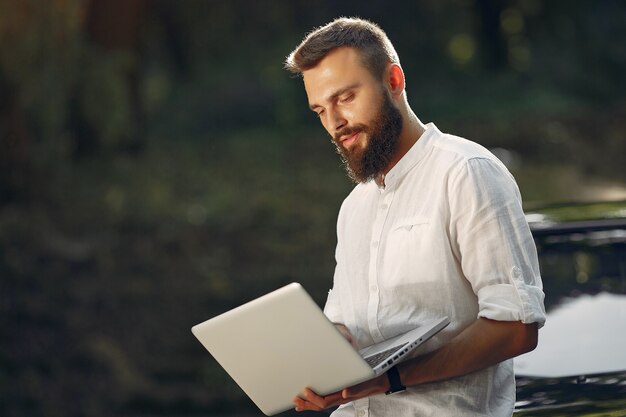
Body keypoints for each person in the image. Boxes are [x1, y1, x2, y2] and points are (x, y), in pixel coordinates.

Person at [284, 17, 546, 417]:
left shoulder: (466, 172)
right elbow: (345, 328)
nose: (334, 123)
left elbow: (516, 327)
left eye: (346, 97)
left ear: (393, 80)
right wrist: (322, 360)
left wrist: (391, 379)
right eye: (320, 109)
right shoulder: (353, 207)